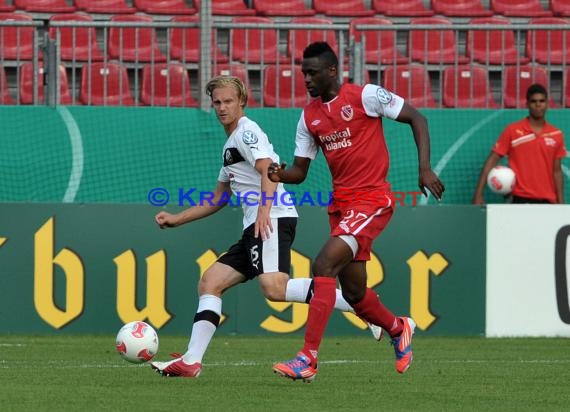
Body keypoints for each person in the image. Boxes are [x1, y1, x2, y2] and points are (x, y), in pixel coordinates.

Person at [149, 75, 382, 378]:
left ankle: (365, 310)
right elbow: (217, 198)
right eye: (217, 102)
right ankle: (192, 361)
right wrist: (176, 219)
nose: (222, 107)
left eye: (228, 101)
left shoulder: (247, 134)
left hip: (272, 217)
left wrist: (264, 212)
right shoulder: (230, 145)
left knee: (274, 288)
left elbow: (267, 170)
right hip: (257, 223)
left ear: (242, 102)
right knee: (211, 281)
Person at [269, 42, 445, 382]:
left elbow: (416, 117)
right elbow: (300, 171)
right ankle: (398, 327)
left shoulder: (365, 96)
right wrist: (279, 174)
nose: (305, 78)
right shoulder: (309, 117)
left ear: (332, 70)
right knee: (354, 293)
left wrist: (424, 168)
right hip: (341, 206)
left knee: (323, 265)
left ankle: (308, 357)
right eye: (303, 72)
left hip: (372, 199)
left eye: (312, 72)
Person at [472, 83, 566, 204]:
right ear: (527, 104)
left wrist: (561, 203)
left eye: (542, 101)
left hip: (547, 201)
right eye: (534, 101)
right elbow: (491, 161)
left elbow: (556, 171)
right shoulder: (512, 130)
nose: (538, 105)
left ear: (547, 104)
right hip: (519, 199)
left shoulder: (556, 134)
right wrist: (478, 194)